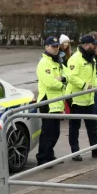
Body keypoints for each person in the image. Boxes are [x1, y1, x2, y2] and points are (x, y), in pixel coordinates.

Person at [66, 35, 97, 161]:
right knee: (74, 127)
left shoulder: (91, 58)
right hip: (76, 99)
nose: (95, 46)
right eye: (93, 44)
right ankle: (75, 151)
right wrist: (85, 86)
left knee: (92, 126)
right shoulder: (75, 59)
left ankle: (95, 149)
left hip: (89, 98)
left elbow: (93, 75)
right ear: (86, 45)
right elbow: (71, 77)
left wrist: (96, 85)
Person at [36, 37, 67, 165]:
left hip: (57, 102)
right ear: (46, 47)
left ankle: (49, 154)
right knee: (47, 132)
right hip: (47, 101)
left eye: (57, 46)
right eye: (53, 46)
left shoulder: (58, 61)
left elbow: (67, 76)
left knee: (55, 132)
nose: (55, 49)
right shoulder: (44, 63)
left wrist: (63, 79)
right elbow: (50, 83)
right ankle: (42, 158)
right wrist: (62, 83)